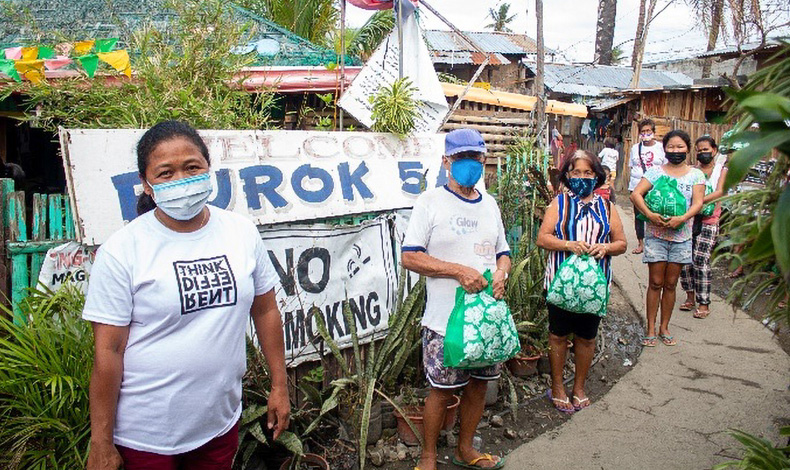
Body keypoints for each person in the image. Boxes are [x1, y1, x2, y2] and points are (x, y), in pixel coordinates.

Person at [84, 121, 290, 470]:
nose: (181, 179)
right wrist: (101, 441)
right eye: (165, 173)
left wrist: (280, 385)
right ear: (147, 185)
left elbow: (266, 310)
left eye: (192, 167)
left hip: (218, 421)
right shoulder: (123, 250)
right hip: (146, 434)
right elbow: (108, 350)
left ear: (209, 169)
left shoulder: (240, 232)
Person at [402, 128, 510, 470]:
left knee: (478, 386)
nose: (469, 164)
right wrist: (457, 271)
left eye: (475, 157)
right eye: (461, 157)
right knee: (442, 390)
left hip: (484, 320)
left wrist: (502, 274)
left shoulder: (490, 204)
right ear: (446, 161)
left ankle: (465, 450)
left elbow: (503, 252)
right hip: (444, 320)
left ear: (483, 160)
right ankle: (429, 456)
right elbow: (410, 256)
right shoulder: (429, 202)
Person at [537, 150, 627, 413]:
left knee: (587, 338)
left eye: (588, 173)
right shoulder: (559, 204)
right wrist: (568, 244)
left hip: (593, 288)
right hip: (560, 284)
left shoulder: (607, 207)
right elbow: (543, 238)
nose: (582, 177)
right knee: (558, 336)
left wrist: (606, 248)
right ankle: (557, 386)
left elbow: (622, 243)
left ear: (597, 176)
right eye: (576, 172)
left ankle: (578, 387)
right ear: (567, 175)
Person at [631, 129, 705, 347]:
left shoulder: (696, 175)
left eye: (680, 147)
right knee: (655, 282)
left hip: (682, 236)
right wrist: (650, 214)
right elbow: (636, 194)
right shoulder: (655, 172)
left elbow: (698, 203)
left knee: (671, 284)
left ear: (688, 149)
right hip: (655, 235)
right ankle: (651, 328)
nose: (675, 151)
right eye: (671, 147)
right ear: (664, 149)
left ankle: (665, 326)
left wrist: (682, 218)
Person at [679, 136, 727, 319]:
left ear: (714, 150)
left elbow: (721, 191)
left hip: (709, 221)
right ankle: (690, 296)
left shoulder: (721, 171)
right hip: (690, 219)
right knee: (684, 260)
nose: (702, 153)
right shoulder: (693, 170)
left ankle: (704, 302)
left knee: (701, 261)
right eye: (699, 150)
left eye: (706, 150)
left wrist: (698, 201)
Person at [629, 119, 667, 255]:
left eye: (648, 131)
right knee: (639, 215)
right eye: (643, 131)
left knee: (656, 213)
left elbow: (666, 167)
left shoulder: (661, 148)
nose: (645, 134)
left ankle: (657, 241)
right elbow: (632, 166)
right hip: (636, 187)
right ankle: (641, 243)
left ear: (653, 132)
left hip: (655, 187)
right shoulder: (635, 148)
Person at [597, 137, 619, 202]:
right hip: (613, 170)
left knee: (602, 184)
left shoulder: (605, 150)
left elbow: (599, 156)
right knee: (611, 184)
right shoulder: (616, 152)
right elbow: (617, 160)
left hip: (605, 169)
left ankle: (602, 196)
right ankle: (612, 198)